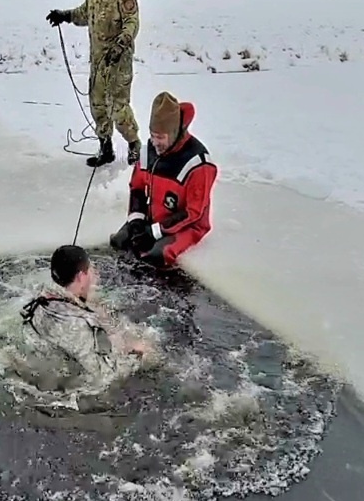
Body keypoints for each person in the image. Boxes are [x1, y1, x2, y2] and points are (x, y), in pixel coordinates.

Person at [46, 0, 141, 169]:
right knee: (98, 104)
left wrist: (120, 46)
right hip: (99, 60)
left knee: (119, 108)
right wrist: (65, 15)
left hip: (119, 59)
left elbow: (132, 21)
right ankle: (105, 147)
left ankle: (134, 145)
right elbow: (85, 13)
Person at [110, 91, 218, 268]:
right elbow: (136, 188)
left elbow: (193, 212)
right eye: (152, 135)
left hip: (187, 226)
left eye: (160, 137)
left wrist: (154, 233)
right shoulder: (149, 151)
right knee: (120, 243)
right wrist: (136, 222)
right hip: (153, 220)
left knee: (154, 258)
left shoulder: (198, 164)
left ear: (174, 133)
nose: (154, 142)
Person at [16, 245, 148, 389]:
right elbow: (104, 377)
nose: (94, 274)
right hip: (60, 390)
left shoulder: (36, 300)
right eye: (90, 270)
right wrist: (136, 355)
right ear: (80, 276)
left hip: (33, 363)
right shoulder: (81, 325)